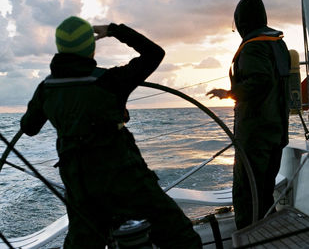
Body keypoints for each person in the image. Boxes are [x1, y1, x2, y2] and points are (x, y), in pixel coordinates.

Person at [20, 16, 202, 248]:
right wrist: (115, 31)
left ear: (60, 50)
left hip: (81, 187)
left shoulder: (46, 89)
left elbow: (29, 128)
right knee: (180, 237)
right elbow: (154, 53)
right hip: (127, 181)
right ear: (91, 49)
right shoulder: (110, 81)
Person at [206, 0, 290, 230]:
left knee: (247, 192)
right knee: (264, 190)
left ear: (241, 21)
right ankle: (264, 234)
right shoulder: (277, 43)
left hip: (255, 134)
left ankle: (249, 237)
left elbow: (259, 82)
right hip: (277, 130)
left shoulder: (253, 46)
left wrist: (229, 93)